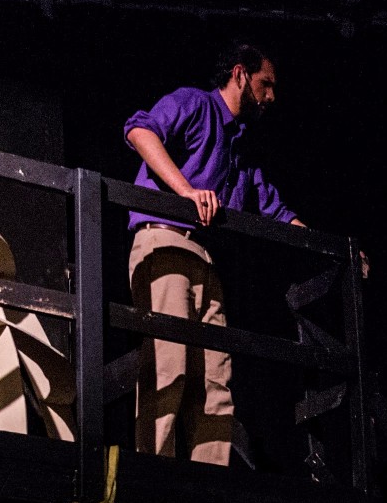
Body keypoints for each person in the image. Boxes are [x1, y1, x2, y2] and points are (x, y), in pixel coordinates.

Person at [122, 42, 309, 466]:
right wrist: (186, 191)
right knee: (169, 365)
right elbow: (139, 130)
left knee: (216, 380)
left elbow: (277, 211)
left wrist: (340, 253)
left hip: (207, 261)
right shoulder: (194, 103)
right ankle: (153, 478)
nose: (271, 96)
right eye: (265, 84)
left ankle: (209, 486)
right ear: (240, 74)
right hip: (167, 240)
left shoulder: (240, 147)